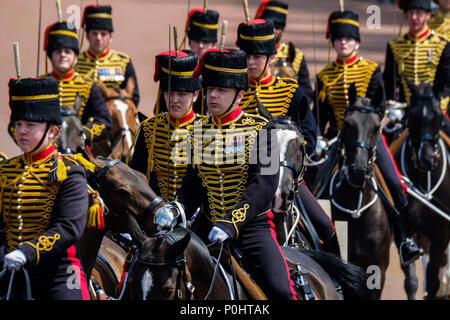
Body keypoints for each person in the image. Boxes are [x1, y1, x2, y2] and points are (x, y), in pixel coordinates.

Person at [174, 48, 298, 299]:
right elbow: (193, 186)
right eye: (210, 90)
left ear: (240, 94)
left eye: (222, 90)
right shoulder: (195, 130)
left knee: (281, 291)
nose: (213, 96)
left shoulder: (262, 130)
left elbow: (262, 187)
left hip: (251, 229)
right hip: (206, 226)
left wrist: (231, 223)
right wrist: (176, 209)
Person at [317, 10, 423, 266]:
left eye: (348, 39)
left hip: (367, 136)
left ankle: (404, 240)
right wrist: (321, 137)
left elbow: (380, 107)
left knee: (395, 185)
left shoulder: (371, 70)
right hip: (337, 139)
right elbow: (321, 116)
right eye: (339, 39)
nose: (343, 43)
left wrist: (366, 127)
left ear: (357, 42)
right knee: (313, 188)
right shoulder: (324, 76)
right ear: (333, 42)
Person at [236, 18, 341, 257]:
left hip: (285, 177)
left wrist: (292, 168)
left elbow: (309, 139)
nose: (250, 62)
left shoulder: (292, 91)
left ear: (271, 58)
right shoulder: (233, 91)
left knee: (325, 227)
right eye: (246, 56)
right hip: (241, 179)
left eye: (257, 57)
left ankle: (340, 282)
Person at [0, 77, 93, 299]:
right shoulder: (6, 170)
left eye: (30, 125)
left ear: (51, 131)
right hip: (11, 268)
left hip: (58, 274)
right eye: (19, 124)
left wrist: (27, 251)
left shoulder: (69, 172)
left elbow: (69, 227)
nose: (22, 131)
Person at [128, 50, 201, 202]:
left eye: (181, 94)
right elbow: (136, 176)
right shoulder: (149, 128)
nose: (174, 100)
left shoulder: (206, 130)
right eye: (169, 93)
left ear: (195, 95)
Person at [384, 0, 450, 137]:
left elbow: (447, 82)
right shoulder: (395, 46)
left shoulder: (442, 44)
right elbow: (389, 82)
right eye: (411, 13)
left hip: (435, 110)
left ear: (428, 15)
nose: (414, 17)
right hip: (407, 110)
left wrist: (437, 105)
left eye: (419, 13)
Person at [42, 21, 111, 147]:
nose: (63, 55)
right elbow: (15, 124)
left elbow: (103, 121)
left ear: (75, 58)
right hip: (42, 148)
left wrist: (82, 134)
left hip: (76, 148)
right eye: (58, 51)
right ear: (50, 56)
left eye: (68, 51)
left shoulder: (88, 86)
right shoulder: (39, 85)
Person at [76, 4, 140, 107]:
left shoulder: (123, 62)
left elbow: (133, 96)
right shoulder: (76, 61)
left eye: (103, 34)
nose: (98, 38)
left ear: (110, 37)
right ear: (87, 36)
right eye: (94, 33)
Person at [254, 0, 314, 103]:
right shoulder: (249, 54)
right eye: (270, 26)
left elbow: (306, 92)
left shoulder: (297, 56)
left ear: (283, 29)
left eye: (277, 27)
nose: (273, 31)